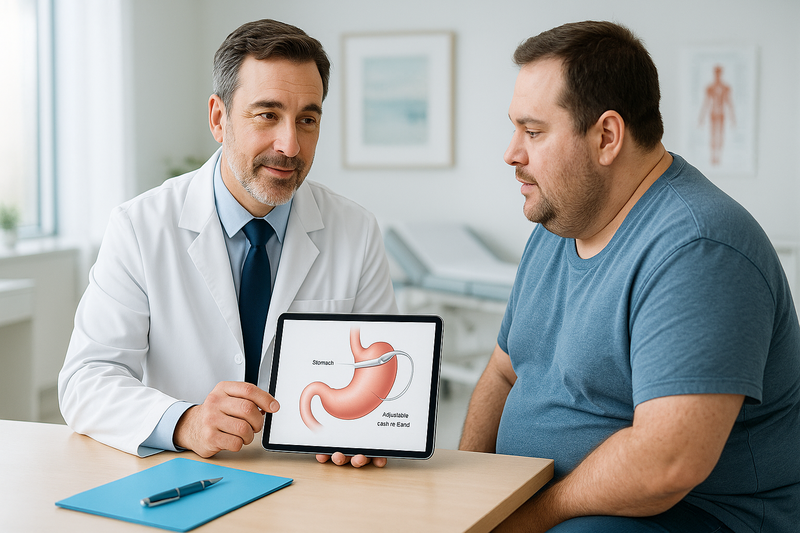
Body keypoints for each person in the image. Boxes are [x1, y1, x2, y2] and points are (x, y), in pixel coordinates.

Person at [459, 21, 800, 533]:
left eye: (533, 132)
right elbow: (504, 373)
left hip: (692, 515)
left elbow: (665, 464)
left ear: (607, 136)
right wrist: (465, 499)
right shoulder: (560, 222)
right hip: (552, 502)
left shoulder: (700, 248)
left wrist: (526, 520)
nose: (512, 152)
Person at [59, 19, 396, 468]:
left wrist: (366, 428)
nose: (290, 145)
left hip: (315, 480)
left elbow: (384, 376)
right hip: (190, 473)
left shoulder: (356, 229)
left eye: (307, 120)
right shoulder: (140, 227)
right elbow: (86, 379)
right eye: (267, 115)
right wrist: (186, 422)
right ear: (219, 119)